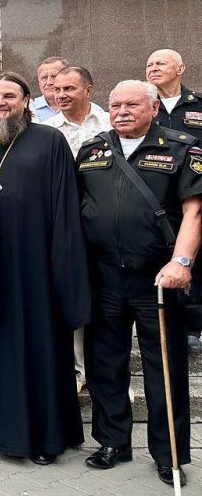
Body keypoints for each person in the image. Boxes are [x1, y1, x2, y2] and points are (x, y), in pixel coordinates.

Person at [0, 72, 91, 464]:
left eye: (9, 95)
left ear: (26, 101)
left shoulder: (50, 142)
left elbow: (65, 210)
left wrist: (62, 269)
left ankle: (44, 438)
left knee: (37, 350)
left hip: (34, 270)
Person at [78, 80, 198, 487]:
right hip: (104, 277)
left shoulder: (181, 147)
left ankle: (170, 456)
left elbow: (194, 210)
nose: (122, 111)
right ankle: (113, 442)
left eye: (132, 104)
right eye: (115, 104)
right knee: (105, 366)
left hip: (157, 278)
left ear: (152, 108)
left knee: (163, 367)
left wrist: (182, 261)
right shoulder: (92, 149)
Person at [45, 66, 111, 393]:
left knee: (107, 302)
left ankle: (107, 375)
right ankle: (75, 371)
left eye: (69, 89)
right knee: (72, 295)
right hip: (65, 225)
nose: (61, 95)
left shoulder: (110, 123)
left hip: (106, 225)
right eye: (57, 89)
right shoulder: (46, 130)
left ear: (89, 89)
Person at [144, 49, 202, 353]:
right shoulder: (142, 105)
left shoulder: (198, 105)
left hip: (194, 191)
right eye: (149, 64)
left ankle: (194, 324)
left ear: (180, 68)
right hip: (158, 196)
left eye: (160, 63)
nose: (153, 68)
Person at [30, 57, 69, 122]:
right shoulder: (29, 108)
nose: (49, 82)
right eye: (44, 78)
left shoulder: (79, 107)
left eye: (54, 77)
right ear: (39, 82)